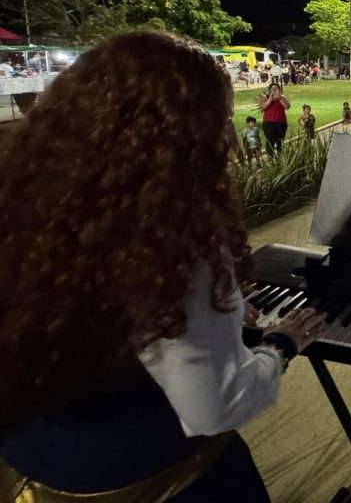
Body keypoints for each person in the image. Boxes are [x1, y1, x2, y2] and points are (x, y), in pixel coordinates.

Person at [0, 32, 326, 502]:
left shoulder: (26, 203)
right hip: (156, 481)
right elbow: (215, 406)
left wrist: (216, 317)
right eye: (220, 119)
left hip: (33, 465)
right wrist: (279, 346)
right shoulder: (169, 242)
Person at [258, 83, 290, 157]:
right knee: (270, 141)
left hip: (281, 122)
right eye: (273, 89)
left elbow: (287, 107)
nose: (274, 90)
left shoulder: (282, 98)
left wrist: (280, 99)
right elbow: (262, 108)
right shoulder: (264, 98)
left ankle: (280, 157)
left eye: (276, 89)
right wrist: (270, 99)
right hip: (269, 123)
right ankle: (270, 158)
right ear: (269, 90)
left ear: (279, 90)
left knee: (280, 141)